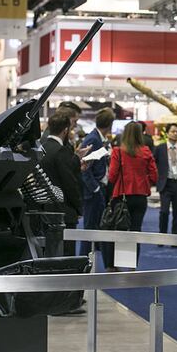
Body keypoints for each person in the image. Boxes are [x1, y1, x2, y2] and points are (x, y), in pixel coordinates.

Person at [107, 122, 157, 269]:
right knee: (136, 231)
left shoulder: (118, 151)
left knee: (117, 231)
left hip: (121, 197)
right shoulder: (146, 151)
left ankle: (113, 265)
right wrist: (143, 180)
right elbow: (154, 176)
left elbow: (112, 176)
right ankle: (132, 265)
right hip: (140, 197)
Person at [41, 112, 86, 257]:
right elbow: (69, 183)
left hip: (43, 208)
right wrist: (78, 208)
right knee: (65, 253)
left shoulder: (41, 147)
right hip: (63, 211)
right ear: (66, 130)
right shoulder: (61, 151)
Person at [79, 107, 114, 262]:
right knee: (89, 229)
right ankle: (83, 261)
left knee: (94, 227)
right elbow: (85, 169)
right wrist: (96, 188)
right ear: (110, 124)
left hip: (99, 189)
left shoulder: (98, 139)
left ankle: (87, 260)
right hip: (93, 191)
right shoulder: (93, 139)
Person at [153, 123, 177, 241]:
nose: (175, 134)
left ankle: (176, 238)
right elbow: (153, 164)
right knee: (164, 212)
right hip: (166, 184)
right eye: (172, 131)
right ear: (167, 133)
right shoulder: (160, 148)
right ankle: (162, 236)